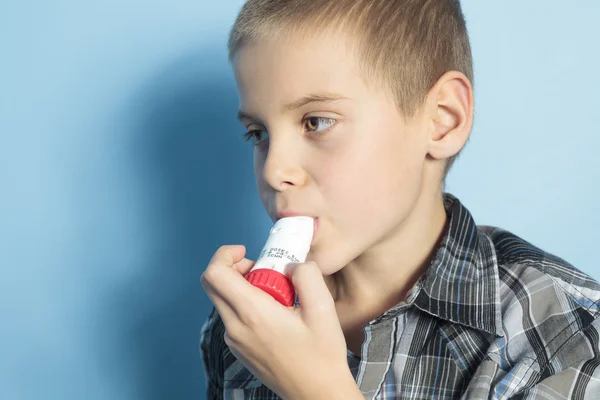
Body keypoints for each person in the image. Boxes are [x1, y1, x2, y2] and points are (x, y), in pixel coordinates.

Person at [199, 1, 600, 398]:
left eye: (316, 122)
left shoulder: (568, 334)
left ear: (442, 119)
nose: (273, 170)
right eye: (258, 134)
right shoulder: (247, 324)